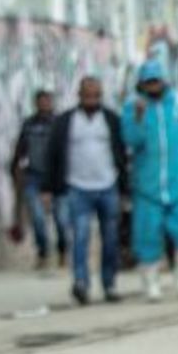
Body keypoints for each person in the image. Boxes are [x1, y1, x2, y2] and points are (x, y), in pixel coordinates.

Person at [121, 58, 178, 301]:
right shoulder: (133, 106)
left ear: (163, 81)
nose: (152, 86)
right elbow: (130, 140)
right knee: (147, 234)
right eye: (148, 82)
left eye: (156, 81)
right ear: (141, 83)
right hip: (147, 185)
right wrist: (138, 119)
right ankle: (150, 282)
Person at [47, 76, 129, 305]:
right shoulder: (66, 122)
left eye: (96, 95)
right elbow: (53, 155)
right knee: (80, 237)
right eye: (88, 95)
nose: (92, 100)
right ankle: (81, 283)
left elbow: (121, 153)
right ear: (79, 96)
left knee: (111, 239)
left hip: (107, 186)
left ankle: (109, 283)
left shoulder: (111, 120)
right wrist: (50, 188)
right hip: (78, 188)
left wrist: (124, 187)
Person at [10, 89, 68, 270]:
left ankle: (63, 252)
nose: (44, 104)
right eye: (41, 101)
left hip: (58, 178)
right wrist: (15, 172)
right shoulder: (29, 125)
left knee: (62, 219)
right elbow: (20, 151)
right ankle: (43, 252)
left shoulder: (60, 124)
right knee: (37, 218)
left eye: (47, 100)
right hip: (34, 177)